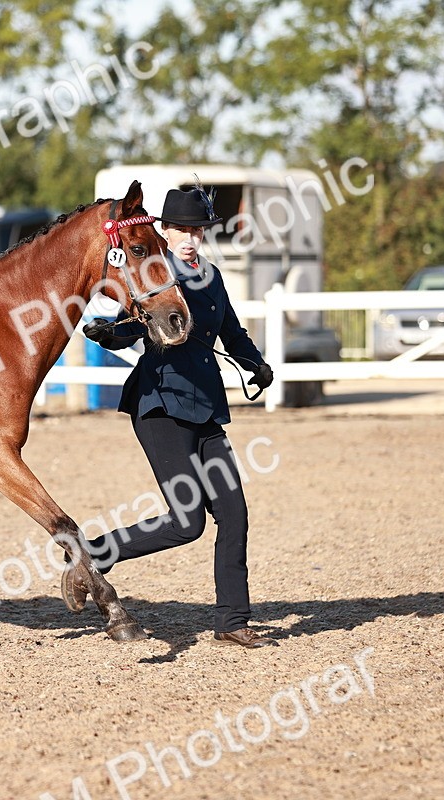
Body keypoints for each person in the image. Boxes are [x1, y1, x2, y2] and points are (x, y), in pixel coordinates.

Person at [67, 186, 276, 648]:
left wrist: (255, 362)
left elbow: (232, 332)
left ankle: (232, 623)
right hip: (160, 407)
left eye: (197, 230)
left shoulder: (213, 277)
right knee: (187, 522)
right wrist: (109, 334)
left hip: (205, 410)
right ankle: (97, 553)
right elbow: (132, 326)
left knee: (234, 515)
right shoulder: (156, 275)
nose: (190, 238)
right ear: (164, 230)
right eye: (182, 229)